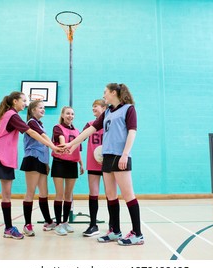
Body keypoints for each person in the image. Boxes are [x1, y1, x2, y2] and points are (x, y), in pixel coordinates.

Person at [0, 91, 62, 246]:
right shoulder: (11, 115)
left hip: (7, 160)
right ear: (15, 101)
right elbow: (31, 132)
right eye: (23, 100)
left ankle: (8, 228)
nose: (25, 103)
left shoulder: (11, 115)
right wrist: (52, 146)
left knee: (7, 196)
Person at [63, 83, 144, 246]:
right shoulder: (107, 112)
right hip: (106, 157)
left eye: (105, 92)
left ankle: (138, 233)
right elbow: (90, 129)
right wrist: (71, 144)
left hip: (120, 156)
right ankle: (115, 230)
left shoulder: (129, 109)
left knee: (128, 195)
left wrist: (125, 154)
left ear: (114, 93)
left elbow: (132, 132)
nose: (104, 95)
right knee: (110, 195)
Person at [20, 100, 58, 237]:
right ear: (33, 110)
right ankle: (27, 224)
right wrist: (54, 146)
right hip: (32, 159)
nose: (43, 110)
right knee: (30, 192)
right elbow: (42, 138)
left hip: (41, 161)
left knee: (44, 192)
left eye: (44, 108)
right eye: (40, 108)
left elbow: (44, 144)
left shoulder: (39, 124)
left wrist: (46, 163)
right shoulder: (31, 122)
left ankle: (48, 221)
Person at [51, 106, 84, 236]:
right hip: (59, 163)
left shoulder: (77, 131)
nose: (70, 116)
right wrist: (65, 146)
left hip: (72, 164)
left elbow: (78, 149)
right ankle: (58, 224)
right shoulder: (57, 127)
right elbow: (62, 140)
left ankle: (65, 222)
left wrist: (81, 164)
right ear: (63, 115)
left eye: (72, 114)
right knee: (59, 194)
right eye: (68, 113)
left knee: (68, 195)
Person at [82, 99, 108, 237]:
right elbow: (80, 139)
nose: (93, 109)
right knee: (93, 194)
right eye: (92, 107)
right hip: (93, 162)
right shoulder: (90, 125)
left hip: (108, 163)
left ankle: (113, 225)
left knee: (111, 195)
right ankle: (93, 225)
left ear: (104, 108)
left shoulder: (110, 124)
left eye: (95, 107)